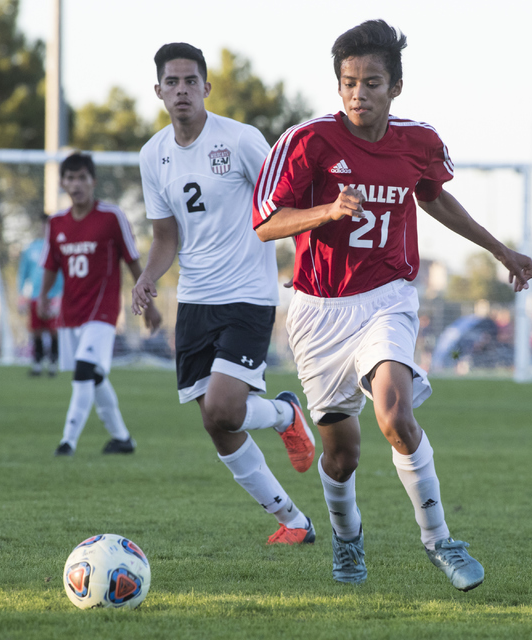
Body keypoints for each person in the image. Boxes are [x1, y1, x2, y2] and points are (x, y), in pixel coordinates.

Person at [253, 20, 532, 588]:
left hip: (388, 298)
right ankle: (348, 537)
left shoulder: (419, 142)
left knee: (394, 416)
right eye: (349, 82)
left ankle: (440, 541)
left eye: (372, 83)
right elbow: (265, 223)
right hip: (318, 311)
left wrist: (500, 249)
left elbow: (435, 198)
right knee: (341, 456)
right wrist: (327, 212)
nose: (359, 94)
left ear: (395, 87)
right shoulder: (308, 141)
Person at [131, 42, 316, 545]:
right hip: (193, 301)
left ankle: (283, 413)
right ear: (159, 91)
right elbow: (166, 236)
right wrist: (148, 277)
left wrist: (305, 260)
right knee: (217, 425)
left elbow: (287, 204)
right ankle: (293, 521)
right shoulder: (153, 156)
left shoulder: (240, 140)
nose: (182, 90)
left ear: (207, 87)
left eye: (191, 81)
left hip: (248, 296)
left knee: (224, 409)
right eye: (172, 82)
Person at [38, 152, 161, 456]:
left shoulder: (111, 217)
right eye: (70, 178)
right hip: (71, 312)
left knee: (83, 370)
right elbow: (51, 264)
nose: (76, 184)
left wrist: (149, 303)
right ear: (63, 183)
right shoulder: (56, 223)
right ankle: (122, 438)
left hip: (103, 312)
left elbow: (132, 259)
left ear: (93, 181)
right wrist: (41, 297)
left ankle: (68, 441)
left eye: (82, 177)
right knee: (93, 374)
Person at [17, 214, 63, 376]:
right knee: (36, 329)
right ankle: (37, 363)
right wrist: (21, 295)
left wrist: (62, 295)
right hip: (36, 296)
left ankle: (53, 363)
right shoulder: (31, 248)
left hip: (54, 296)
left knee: (54, 330)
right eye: (44, 225)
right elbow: (23, 273)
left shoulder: (58, 246)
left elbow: (64, 273)